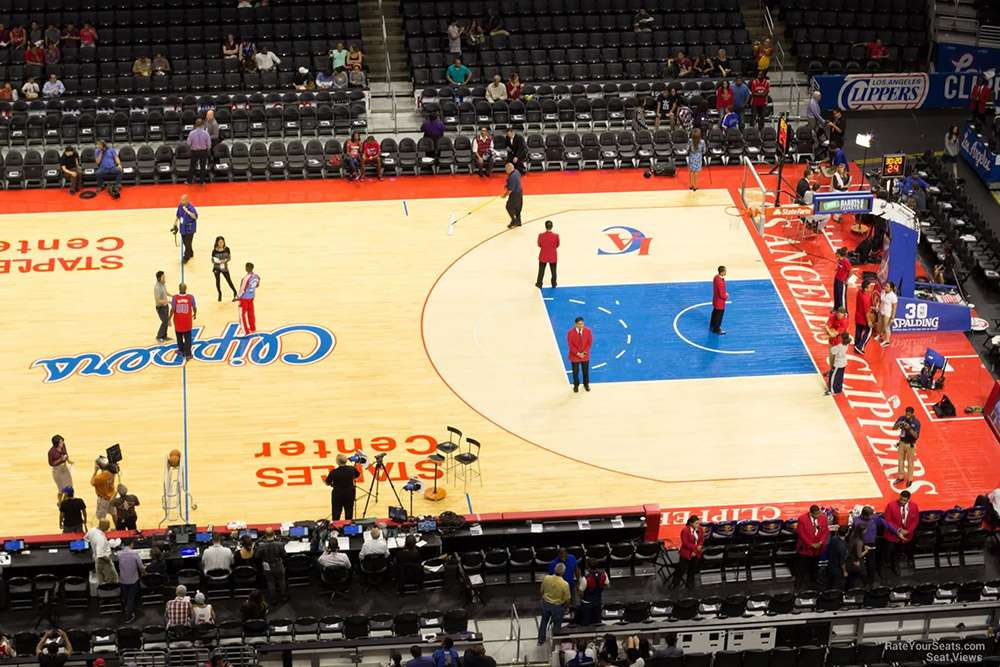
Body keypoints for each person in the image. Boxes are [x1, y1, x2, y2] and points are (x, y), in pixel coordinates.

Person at [882, 490, 919, 574]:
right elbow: (888, 520)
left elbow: (915, 520)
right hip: (892, 534)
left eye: (904, 500)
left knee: (900, 550)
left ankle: (899, 562)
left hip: (906, 535)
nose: (902, 501)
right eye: (901, 499)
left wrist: (908, 531)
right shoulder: (891, 505)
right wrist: (898, 530)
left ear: (908, 499)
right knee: (890, 551)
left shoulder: (914, 506)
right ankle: (891, 564)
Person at [795, 505, 830, 588]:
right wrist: (811, 544)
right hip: (805, 549)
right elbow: (801, 534)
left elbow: (825, 531)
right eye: (816, 514)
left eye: (819, 513)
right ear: (811, 513)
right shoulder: (802, 519)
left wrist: (821, 542)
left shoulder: (823, 518)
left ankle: (814, 581)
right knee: (802, 567)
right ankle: (799, 583)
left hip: (818, 548)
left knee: (815, 566)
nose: (818, 516)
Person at [538, 562, 571, 643]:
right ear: (563, 572)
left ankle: (540, 640)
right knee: (557, 624)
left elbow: (541, 591)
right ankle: (556, 641)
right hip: (557, 607)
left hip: (546, 603)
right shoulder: (565, 584)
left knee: (544, 622)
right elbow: (567, 599)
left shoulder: (546, 578)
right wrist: (566, 608)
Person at [324, 453, 360, 520]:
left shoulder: (334, 472)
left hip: (338, 495)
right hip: (349, 493)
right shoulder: (352, 469)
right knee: (349, 512)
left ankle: (335, 528)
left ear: (337, 462)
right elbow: (357, 475)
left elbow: (327, 483)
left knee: (336, 513)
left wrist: (329, 483)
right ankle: (348, 528)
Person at [256, 527, 287, 603]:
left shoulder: (261, 545)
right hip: (278, 566)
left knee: (270, 583)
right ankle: (284, 598)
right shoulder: (280, 544)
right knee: (282, 581)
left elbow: (257, 557)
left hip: (267, 567)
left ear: (265, 535)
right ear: (274, 534)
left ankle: (273, 600)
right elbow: (284, 555)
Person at [673, 515, 705, 589]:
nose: (698, 525)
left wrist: (700, 545)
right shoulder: (685, 530)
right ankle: (675, 582)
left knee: (692, 569)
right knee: (682, 569)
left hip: (696, 553)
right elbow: (685, 543)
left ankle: (690, 583)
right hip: (686, 553)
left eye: (698, 523)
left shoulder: (700, 529)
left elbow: (702, 539)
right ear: (691, 523)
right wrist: (696, 548)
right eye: (696, 523)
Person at [117, 538, 145, 623]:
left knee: (126, 597)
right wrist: (144, 572)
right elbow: (141, 567)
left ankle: (128, 610)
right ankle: (128, 616)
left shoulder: (119, 554)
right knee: (131, 598)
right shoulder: (134, 553)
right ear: (131, 544)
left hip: (123, 580)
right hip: (133, 580)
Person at [85, 519, 118, 584]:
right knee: (112, 581)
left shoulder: (92, 530)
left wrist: (94, 546)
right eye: (108, 526)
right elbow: (101, 555)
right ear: (104, 526)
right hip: (104, 562)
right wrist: (110, 561)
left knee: (101, 579)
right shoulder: (101, 538)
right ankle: (111, 593)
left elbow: (86, 538)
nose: (108, 528)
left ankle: (103, 592)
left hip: (96, 558)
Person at [170, 283, 197, 361]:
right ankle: (188, 354)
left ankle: (181, 350)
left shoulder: (175, 297)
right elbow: (194, 307)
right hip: (187, 323)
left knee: (179, 337)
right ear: (186, 288)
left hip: (178, 322)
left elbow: (172, 309)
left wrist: (169, 319)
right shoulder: (190, 297)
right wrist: (195, 314)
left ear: (179, 288)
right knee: (188, 339)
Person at [894, 407, 920, 487]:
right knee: (900, 461)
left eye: (909, 414)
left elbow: (916, 436)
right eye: (906, 414)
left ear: (912, 414)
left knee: (910, 463)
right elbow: (893, 428)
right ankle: (900, 477)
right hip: (901, 443)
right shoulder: (902, 418)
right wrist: (898, 425)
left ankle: (910, 479)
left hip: (910, 445)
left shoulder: (916, 423)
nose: (907, 416)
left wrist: (909, 428)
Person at [578, 558, 609, 625]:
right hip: (598, 602)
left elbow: (580, 592)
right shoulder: (604, 574)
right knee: (597, 623)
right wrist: (599, 588)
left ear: (587, 567)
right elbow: (608, 585)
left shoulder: (585, 578)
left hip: (587, 604)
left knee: (586, 623)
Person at [566, 317, 593, 393]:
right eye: (579, 324)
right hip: (575, 356)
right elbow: (570, 345)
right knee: (575, 372)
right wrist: (578, 353)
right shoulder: (570, 332)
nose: (581, 325)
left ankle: (586, 384)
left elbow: (589, 343)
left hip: (585, 355)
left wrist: (584, 353)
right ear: (576, 324)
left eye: (582, 323)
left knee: (585, 371)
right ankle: (576, 385)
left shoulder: (588, 331)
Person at [235, 262, 260, 335]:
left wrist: (237, 298)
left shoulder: (245, 278)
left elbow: (242, 289)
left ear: (247, 268)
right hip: (251, 297)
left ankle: (245, 331)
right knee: (251, 313)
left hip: (244, 299)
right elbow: (257, 285)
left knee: (242, 315)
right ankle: (253, 328)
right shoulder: (257, 276)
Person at [49, 434, 73, 505]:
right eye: (61, 442)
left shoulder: (63, 445)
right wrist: (60, 459)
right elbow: (51, 463)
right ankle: (60, 502)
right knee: (61, 490)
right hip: (57, 470)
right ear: (57, 444)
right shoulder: (51, 452)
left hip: (65, 468)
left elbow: (65, 453)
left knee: (69, 488)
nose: (62, 443)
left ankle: (63, 502)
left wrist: (68, 460)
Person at [211, 236, 238, 301]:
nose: (221, 243)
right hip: (216, 268)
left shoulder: (227, 249)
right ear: (217, 243)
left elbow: (229, 258)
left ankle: (235, 292)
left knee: (229, 280)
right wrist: (216, 261)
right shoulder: (214, 250)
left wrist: (225, 260)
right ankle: (220, 294)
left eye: (222, 242)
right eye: (219, 242)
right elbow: (212, 260)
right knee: (218, 282)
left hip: (224, 267)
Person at [186, 119, 212, 185]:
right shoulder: (206, 133)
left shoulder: (191, 133)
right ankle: (202, 181)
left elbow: (188, 143)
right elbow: (209, 145)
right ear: (203, 125)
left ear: (195, 125)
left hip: (194, 151)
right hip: (203, 152)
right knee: (203, 166)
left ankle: (189, 181)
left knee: (192, 166)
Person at [853, 280, 875, 355]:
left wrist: (872, 307)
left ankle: (856, 345)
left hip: (858, 317)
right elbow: (866, 312)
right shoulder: (866, 298)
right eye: (869, 287)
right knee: (869, 331)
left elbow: (865, 307)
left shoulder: (859, 292)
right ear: (865, 289)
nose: (870, 288)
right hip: (863, 319)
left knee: (858, 332)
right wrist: (869, 322)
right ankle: (860, 347)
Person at [826, 332, 851, 396]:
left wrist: (834, 344)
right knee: (840, 377)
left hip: (838, 364)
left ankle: (831, 390)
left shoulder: (839, 346)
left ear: (842, 338)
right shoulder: (847, 344)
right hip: (843, 363)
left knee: (833, 376)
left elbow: (832, 351)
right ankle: (838, 389)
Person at [536, 220, 559, 289]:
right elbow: (557, 245)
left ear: (545, 227)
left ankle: (539, 283)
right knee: (554, 271)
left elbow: (539, 244)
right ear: (552, 226)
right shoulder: (556, 236)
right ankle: (554, 283)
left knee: (541, 270)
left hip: (543, 255)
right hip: (553, 256)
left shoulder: (541, 235)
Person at [845, 522, 867, 590]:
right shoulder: (859, 542)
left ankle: (848, 589)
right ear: (863, 531)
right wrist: (866, 551)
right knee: (861, 574)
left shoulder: (852, 535)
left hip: (849, 559)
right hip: (855, 561)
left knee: (850, 577)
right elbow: (859, 555)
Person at [826, 525, 848, 591]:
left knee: (830, 582)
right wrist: (844, 572)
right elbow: (842, 562)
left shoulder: (833, 538)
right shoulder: (842, 546)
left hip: (831, 563)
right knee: (838, 584)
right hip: (837, 568)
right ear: (846, 534)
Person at [876, 281, 897, 347]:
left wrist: (892, 317)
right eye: (885, 286)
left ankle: (887, 341)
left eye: (887, 286)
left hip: (887, 314)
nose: (885, 287)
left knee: (886, 327)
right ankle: (880, 335)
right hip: (881, 311)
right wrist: (877, 305)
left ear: (891, 288)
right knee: (880, 325)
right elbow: (880, 300)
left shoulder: (893, 296)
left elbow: (894, 308)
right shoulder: (883, 292)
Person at [503, 162, 523, 228]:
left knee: (508, 206)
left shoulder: (512, 176)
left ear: (510, 168)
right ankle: (518, 221)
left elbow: (510, 190)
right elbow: (515, 182)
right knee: (518, 208)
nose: (505, 170)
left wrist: (504, 195)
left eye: (506, 169)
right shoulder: (516, 172)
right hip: (520, 192)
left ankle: (514, 220)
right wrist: (507, 185)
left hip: (515, 194)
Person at [154, 271, 173, 343]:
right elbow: (158, 300)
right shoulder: (157, 288)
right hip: (160, 308)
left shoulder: (163, 284)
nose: (165, 279)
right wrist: (168, 301)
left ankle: (164, 335)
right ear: (159, 279)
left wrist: (172, 295)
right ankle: (159, 336)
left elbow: (165, 292)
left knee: (167, 320)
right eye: (163, 277)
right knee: (164, 321)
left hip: (165, 306)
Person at [833, 247, 852, 311]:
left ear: (839, 254)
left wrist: (846, 280)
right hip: (837, 278)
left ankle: (843, 311)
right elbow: (840, 267)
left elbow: (851, 272)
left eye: (837, 253)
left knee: (842, 296)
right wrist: (837, 269)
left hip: (842, 281)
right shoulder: (839, 260)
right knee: (836, 294)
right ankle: (836, 308)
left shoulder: (846, 261)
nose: (835, 254)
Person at [711, 265, 728, 334]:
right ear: (721, 272)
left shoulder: (716, 277)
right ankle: (716, 329)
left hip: (715, 299)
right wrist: (726, 295)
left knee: (714, 313)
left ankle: (712, 325)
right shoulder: (720, 282)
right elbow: (722, 295)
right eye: (725, 271)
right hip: (720, 302)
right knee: (719, 316)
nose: (726, 272)